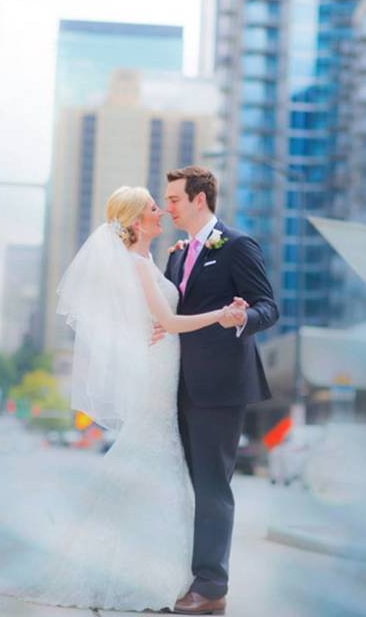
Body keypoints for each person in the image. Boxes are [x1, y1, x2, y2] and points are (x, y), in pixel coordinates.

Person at [0, 185, 245, 612]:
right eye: (152, 208)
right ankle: (142, 571)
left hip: (164, 369)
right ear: (137, 220)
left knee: (156, 457)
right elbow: (167, 321)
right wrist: (221, 315)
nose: (161, 211)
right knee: (154, 455)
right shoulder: (137, 265)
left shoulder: (149, 261)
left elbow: (157, 315)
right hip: (158, 372)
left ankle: (157, 569)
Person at [159, 166, 279, 615]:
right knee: (187, 486)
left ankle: (211, 589)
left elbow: (268, 306)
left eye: (173, 199)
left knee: (212, 487)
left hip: (222, 388)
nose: (167, 206)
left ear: (199, 200)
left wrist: (241, 318)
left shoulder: (237, 246)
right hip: (179, 386)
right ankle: (188, 576)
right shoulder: (177, 254)